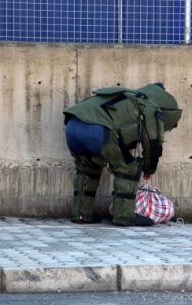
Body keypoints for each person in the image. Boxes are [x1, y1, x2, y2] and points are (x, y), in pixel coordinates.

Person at [63, 83, 182, 226]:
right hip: (97, 130)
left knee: (87, 168)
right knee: (128, 168)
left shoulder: (125, 96)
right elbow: (152, 141)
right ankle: (123, 216)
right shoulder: (149, 106)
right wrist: (149, 169)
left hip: (72, 126)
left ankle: (81, 214)